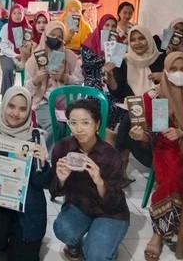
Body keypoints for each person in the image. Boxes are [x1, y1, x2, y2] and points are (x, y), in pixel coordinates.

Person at [129, 52, 183, 261]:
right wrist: (141, 134)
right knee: (172, 178)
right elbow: (153, 132)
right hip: (167, 147)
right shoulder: (156, 96)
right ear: (166, 71)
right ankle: (159, 234)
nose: (179, 74)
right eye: (174, 69)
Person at [0, 86, 51, 261]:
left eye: (23, 109)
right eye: (11, 106)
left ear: (29, 111)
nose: (16, 113)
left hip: (27, 207)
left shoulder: (36, 137)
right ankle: (6, 236)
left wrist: (43, 164)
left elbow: (41, 182)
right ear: (3, 105)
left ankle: (23, 239)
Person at [50, 98, 129, 261]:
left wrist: (99, 181)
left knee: (96, 255)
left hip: (110, 212)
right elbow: (53, 190)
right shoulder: (62, 148)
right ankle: (75, 244)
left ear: (97, 124)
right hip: (80, 206)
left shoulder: (111, 155)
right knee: (62, 229)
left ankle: (105, 246)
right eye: (73, 123)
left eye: (85, 123)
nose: (79, 129)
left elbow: (116, 201)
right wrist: (61, 179)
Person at [105, 25, 166, 181]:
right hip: (132, 106)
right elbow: (117, 91)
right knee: (129, 117)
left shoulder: (162, 59)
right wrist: (110, 75)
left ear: (149, 39)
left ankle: (121, 165)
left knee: (127, 121)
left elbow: (172, 87)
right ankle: (122, 164)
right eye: (133, 39)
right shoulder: (124, 60)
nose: (137, 43)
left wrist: (163, 78)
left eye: (141, 38)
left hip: (160, 107)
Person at [24, 21, 82, 152]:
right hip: (43, 101)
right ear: (45, 35)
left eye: (60, 37)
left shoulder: (70, 57)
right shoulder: (34, 59)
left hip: (68, 101)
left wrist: (65, 77)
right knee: (54, 125)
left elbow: (80, 82)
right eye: (52, 35)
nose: (55, 39)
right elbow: (26, 90)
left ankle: (64, 155)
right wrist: (35, 80)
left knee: (68, 125)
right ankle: (48, 157)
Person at [0, 4, 32, 96]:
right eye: (14, 13)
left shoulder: (28, 28)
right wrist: (15, 55)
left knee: (33, 69)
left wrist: (26, 53)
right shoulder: (6, 27)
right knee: (8, 69)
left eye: (19, 13)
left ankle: (27, 94)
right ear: (10, 15)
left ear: (23, 14)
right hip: (8, 54)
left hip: (25, 55)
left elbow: (32, 44)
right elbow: (3, 46)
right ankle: (6, 95)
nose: (17, 16)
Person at [81, 14, 117, 90]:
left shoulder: (118, 44)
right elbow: (87, 67)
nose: (110, 28)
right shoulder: (89, 45)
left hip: (112, 85)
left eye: (113, 26)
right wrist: (105, 56)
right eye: (107, 25)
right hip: (93, 85)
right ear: (101, 26)